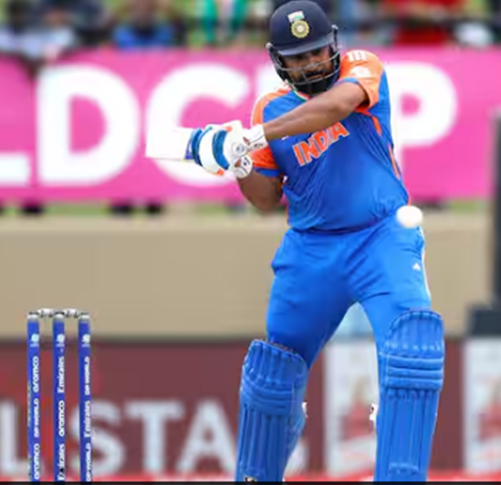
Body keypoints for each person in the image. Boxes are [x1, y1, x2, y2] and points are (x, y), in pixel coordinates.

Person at [185, 0, 445, 481]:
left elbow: (334, 108)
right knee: (275, 370)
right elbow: (265, 199)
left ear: (334, 45)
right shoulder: (269, 107)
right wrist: (236, 161)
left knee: (412, 347)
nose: (309, 63)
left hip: (382, 237)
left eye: (316, 52)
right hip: (311, 249)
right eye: (297, 57)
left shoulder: (362, 67)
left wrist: (252, 137)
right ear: (278, 60)